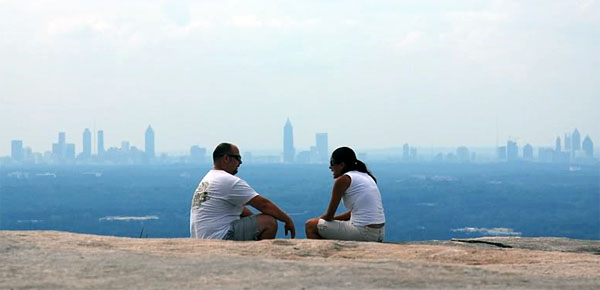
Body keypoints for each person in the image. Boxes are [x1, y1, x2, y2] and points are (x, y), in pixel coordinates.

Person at [190, 142, 295, 240]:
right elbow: (264, 205)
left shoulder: (209, 178)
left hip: (201, 238)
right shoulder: (228, 180)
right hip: (218, 237)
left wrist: (254, 221)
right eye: (238, 158)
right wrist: (287, 220)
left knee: (258, 220)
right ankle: (259, 257)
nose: (240, 162)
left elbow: (241, 210)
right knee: (269, 222)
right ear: (226, 158)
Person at [305, 147, 385, 242]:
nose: (330, 167)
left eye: (332, 163)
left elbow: (329, 216)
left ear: (341, 165)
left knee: (310, 225)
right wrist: (333, 220)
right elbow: (355, 213)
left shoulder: (343, 180)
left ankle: (324, 255)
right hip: (379, 233)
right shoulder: (366, 176)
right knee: (321, 224)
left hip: (364, 232)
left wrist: (320, 220)